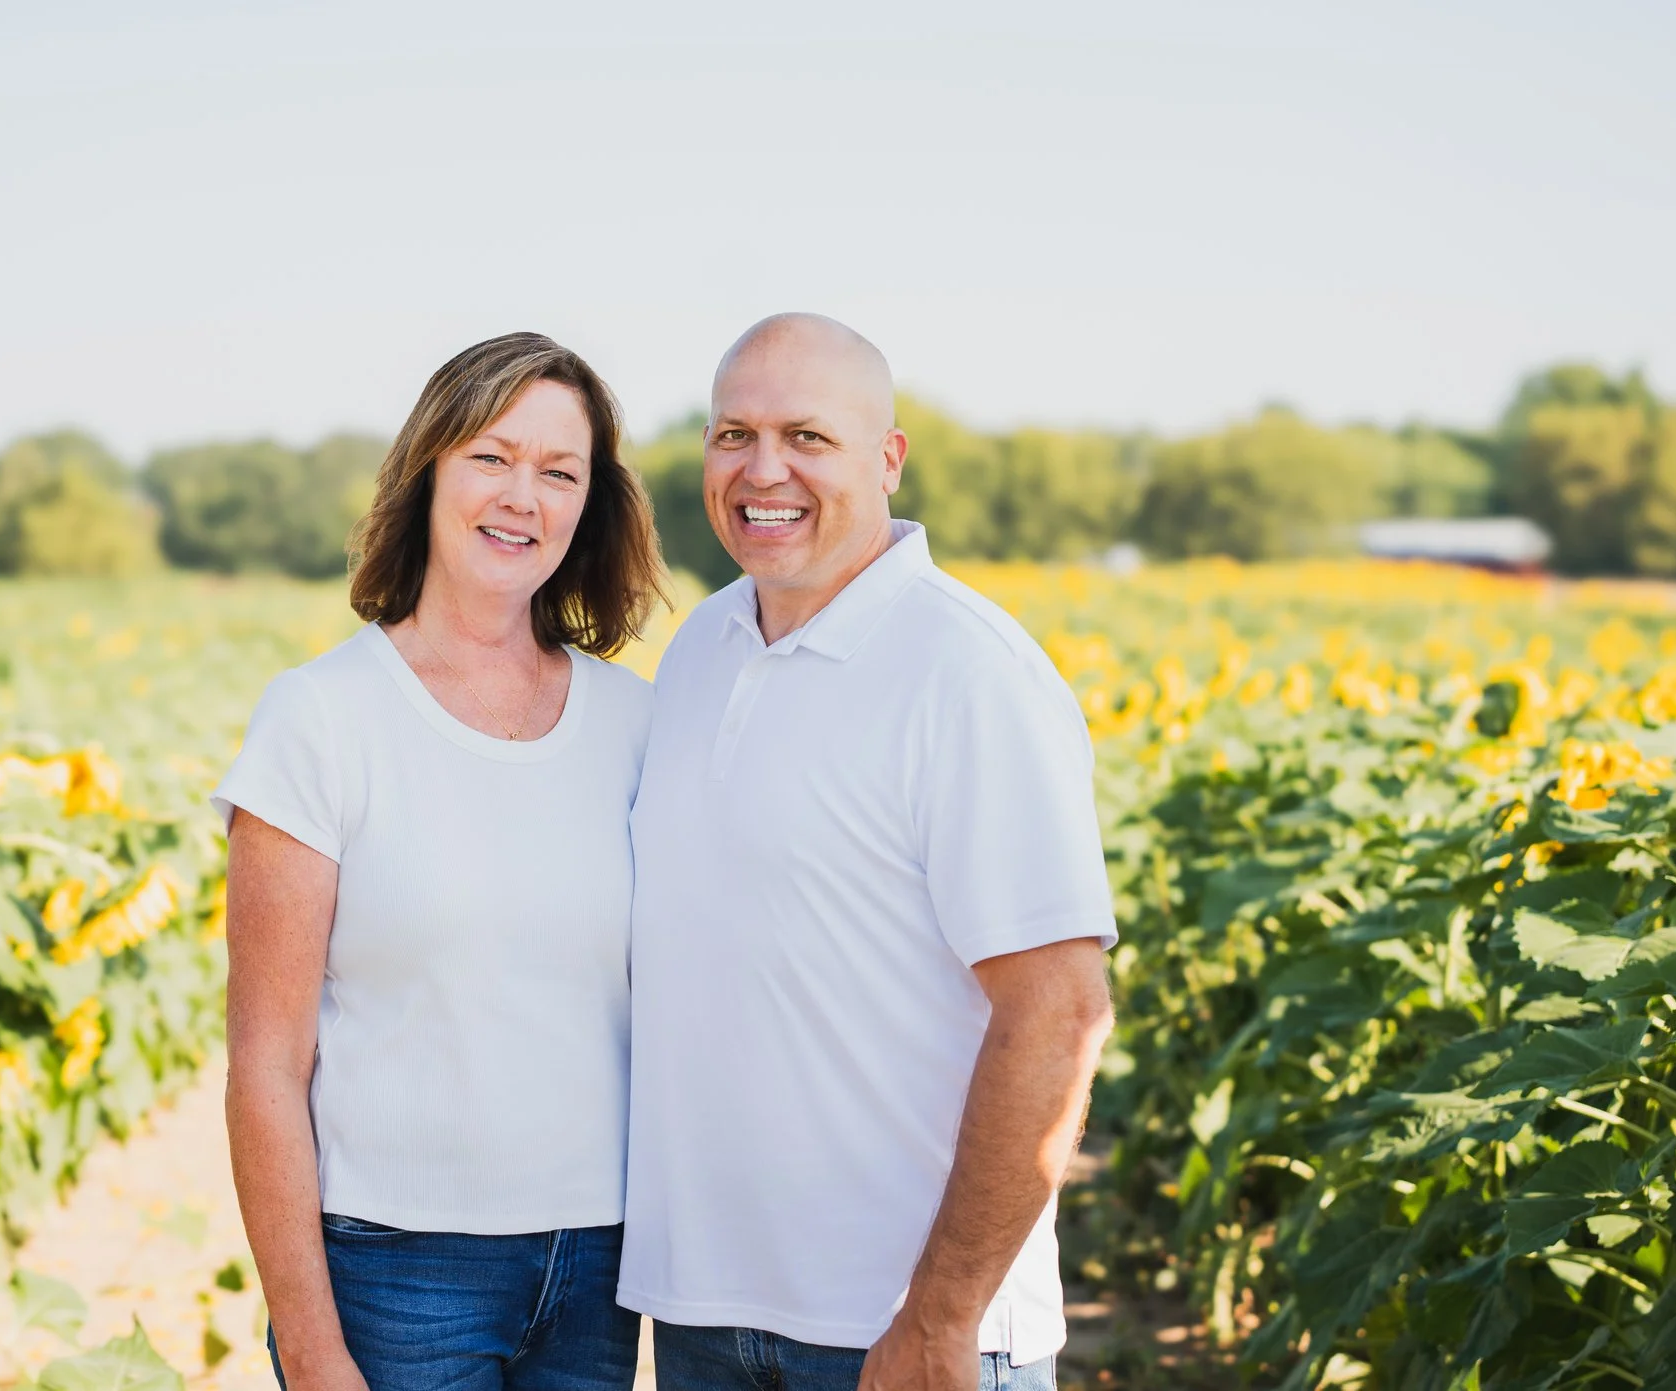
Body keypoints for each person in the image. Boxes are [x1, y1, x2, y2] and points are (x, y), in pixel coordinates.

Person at [620, 314, 1118, 1391]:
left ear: (885, 458)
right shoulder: (702, 647)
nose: (762, 470)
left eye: (807, 435)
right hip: (707, 1309)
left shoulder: (970, 674)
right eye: (731, 434)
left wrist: (941, 1313)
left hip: (906, 1332)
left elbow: (1059, 1009)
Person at [216, 331, 666, 1391]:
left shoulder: (639, 721)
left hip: (601, 1262)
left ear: (588, 506)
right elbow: (266, 1067)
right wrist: (313, 1348)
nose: (524, 495)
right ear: (427, 468)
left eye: (560, 471)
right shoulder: (321, 717)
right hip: (394, 1265)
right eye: (491, 456)